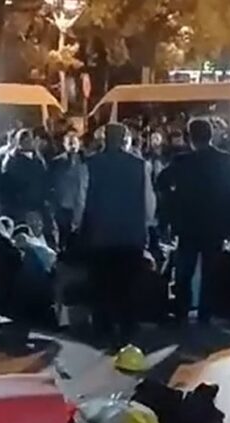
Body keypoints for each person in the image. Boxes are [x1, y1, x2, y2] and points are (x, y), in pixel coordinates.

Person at [161, 118, 230, 325]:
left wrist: (174, 202)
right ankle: (206, 314)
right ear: (211, 136)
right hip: (216, 224)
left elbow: (162, 182)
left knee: (184, 271)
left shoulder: (182, 161)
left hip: (188, 223)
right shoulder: (227, 160)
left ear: (191, 137)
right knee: (211, 272)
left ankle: (182, 311)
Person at [82, 123, 155, 345]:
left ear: (104, 139)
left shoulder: (91, 164)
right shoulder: (139, 165)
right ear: (125, 139)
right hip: (130, 234)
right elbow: (148, 201)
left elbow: (82, 199)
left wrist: (81, 226)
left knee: (101, 282)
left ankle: (102, 325)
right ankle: (127, 325)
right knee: (127, 283)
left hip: (99, 233)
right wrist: (146, 226)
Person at [49, 131, 87, 250]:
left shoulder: (86, 161)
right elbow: (52, 182)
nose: (73, 146)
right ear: (64, 144)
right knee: (64, 234)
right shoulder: (57, 162)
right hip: (64, 205)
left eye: (75, 143)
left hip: (81, 204)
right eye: (70, 143)